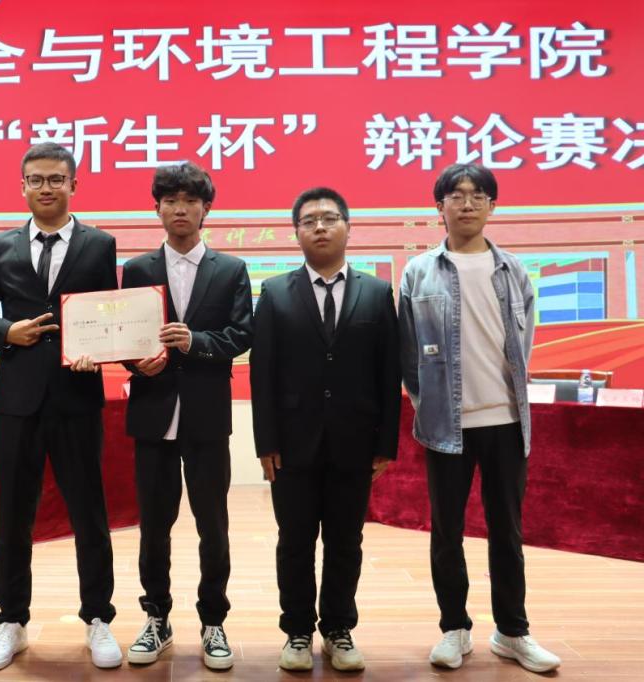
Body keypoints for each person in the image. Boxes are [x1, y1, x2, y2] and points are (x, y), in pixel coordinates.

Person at [398, 163, 561, 674]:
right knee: (447, 532)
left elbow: (523, 344)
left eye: (477, 195)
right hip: (446, 426)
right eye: (456, 195)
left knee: (506, 531)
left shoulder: (513, 270)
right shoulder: (418, 272)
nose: (466, 204)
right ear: (439, 206)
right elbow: (407, 353)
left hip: (506, 422)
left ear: (492, 206)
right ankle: (454, 628)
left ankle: (512, 632)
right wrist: (427, 404)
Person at [0, 142, 122, 671]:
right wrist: (7, 331)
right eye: (36, 179)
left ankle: (98, 617)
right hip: (18, 400)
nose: (46, 187)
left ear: (74, 185)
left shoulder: (100, 245)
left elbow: (111, 314)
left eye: (56, 179)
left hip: (78, 396)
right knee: (14, 514)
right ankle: (11, 621)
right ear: (22, 187)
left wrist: (99, 351)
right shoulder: (1, 245)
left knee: (89, 513)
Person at [250, 187, 401, 672]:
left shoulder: (376, 293)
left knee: (345, 542)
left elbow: (388, 371)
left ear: (348, 228)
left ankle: (338, 629)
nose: (319, 227)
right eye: (309, 220)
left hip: (355, 442)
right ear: (296, 232)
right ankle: (297, 630)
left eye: (330, 218)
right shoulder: (275, 292)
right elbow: (262, 373)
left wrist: (386, 442)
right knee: (294, 541)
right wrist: (266, 442)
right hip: (292, 444)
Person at [120, 163, 253, 670]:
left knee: (212, 525)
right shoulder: (137, 270)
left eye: (190, 200)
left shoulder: (231, 269)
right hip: (152, 414)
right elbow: (125, 338)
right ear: (156, 208)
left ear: (206, 209)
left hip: (206, 416)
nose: (180, 209)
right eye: (170, 200)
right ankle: (156, 617)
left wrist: (196, 342)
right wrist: (137, 362)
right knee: (154, 526)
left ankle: (214, 620)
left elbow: (242, 334)